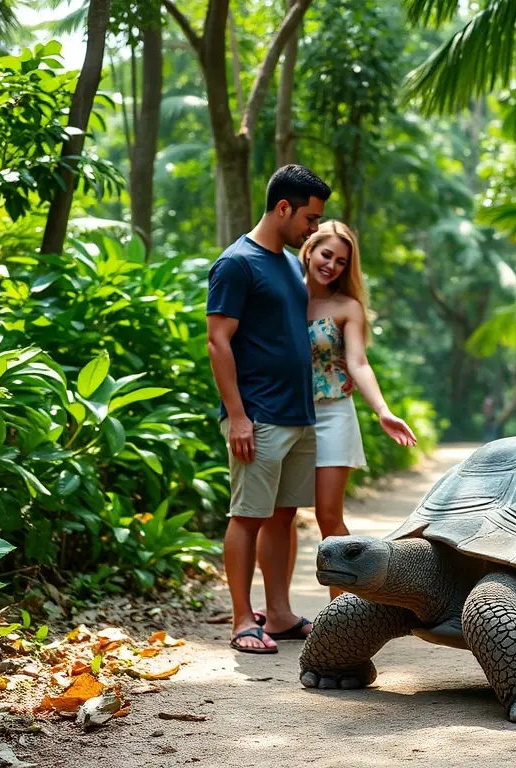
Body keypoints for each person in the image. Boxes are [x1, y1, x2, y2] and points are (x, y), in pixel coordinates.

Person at [206, 164, 331, 655]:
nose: (314, 228)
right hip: (257, 415)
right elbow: (219, 341)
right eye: (310, 218)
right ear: (283, 208)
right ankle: (242, 619)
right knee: (248, 515)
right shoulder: (237, 263)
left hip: (298, 414)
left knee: (283, 517)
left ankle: (277, 614)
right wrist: (237, 415)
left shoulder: (284, 262)